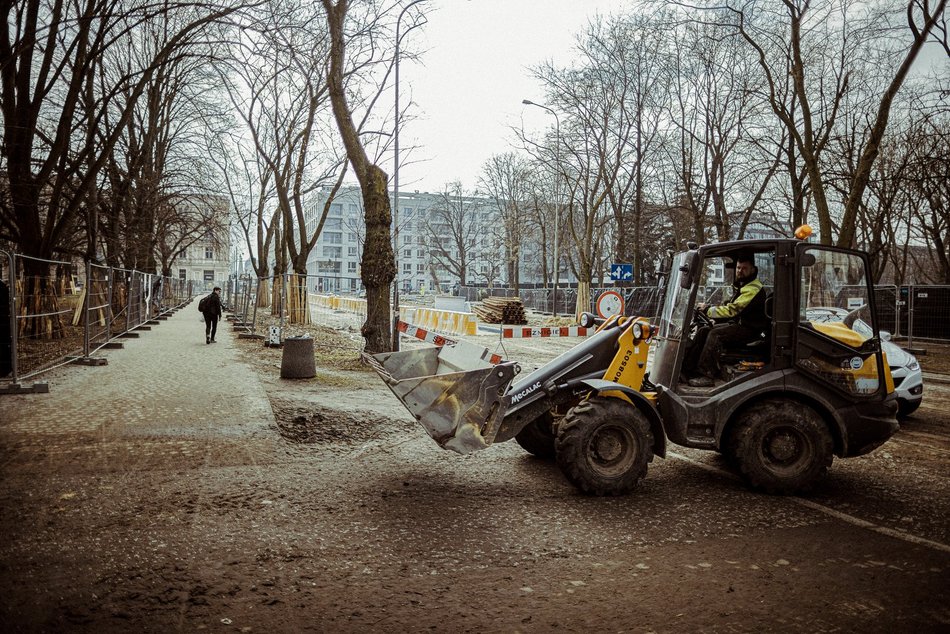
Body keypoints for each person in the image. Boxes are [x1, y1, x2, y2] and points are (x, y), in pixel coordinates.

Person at [687, 253, 769, 387]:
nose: (740, 271)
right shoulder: (744, 286)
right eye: (738, 268)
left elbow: (733, 310)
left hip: (751, 330)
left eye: (744, 268)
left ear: (753, 270)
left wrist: (708, 310)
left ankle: (706, 374)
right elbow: (729, 305)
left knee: (715, 334)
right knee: (704, 330)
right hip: (742, 325)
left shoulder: (753, 288)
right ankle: (688, 369)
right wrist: (713, 316)